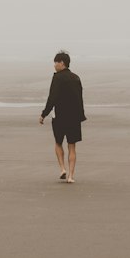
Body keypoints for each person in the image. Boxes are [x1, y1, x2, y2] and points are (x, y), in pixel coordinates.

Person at [39, 50, 86, 183]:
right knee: (72, 146)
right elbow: (79, 99)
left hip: (59, 117)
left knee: (58, 143)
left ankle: (62, 169)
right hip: (74, 118)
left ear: (62, 63)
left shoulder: (57, 77)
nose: (54, 65)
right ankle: (71, 176)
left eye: (56, 62)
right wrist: (81, 116)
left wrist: (44, 114)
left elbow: (52, 98)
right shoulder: (76, 78)